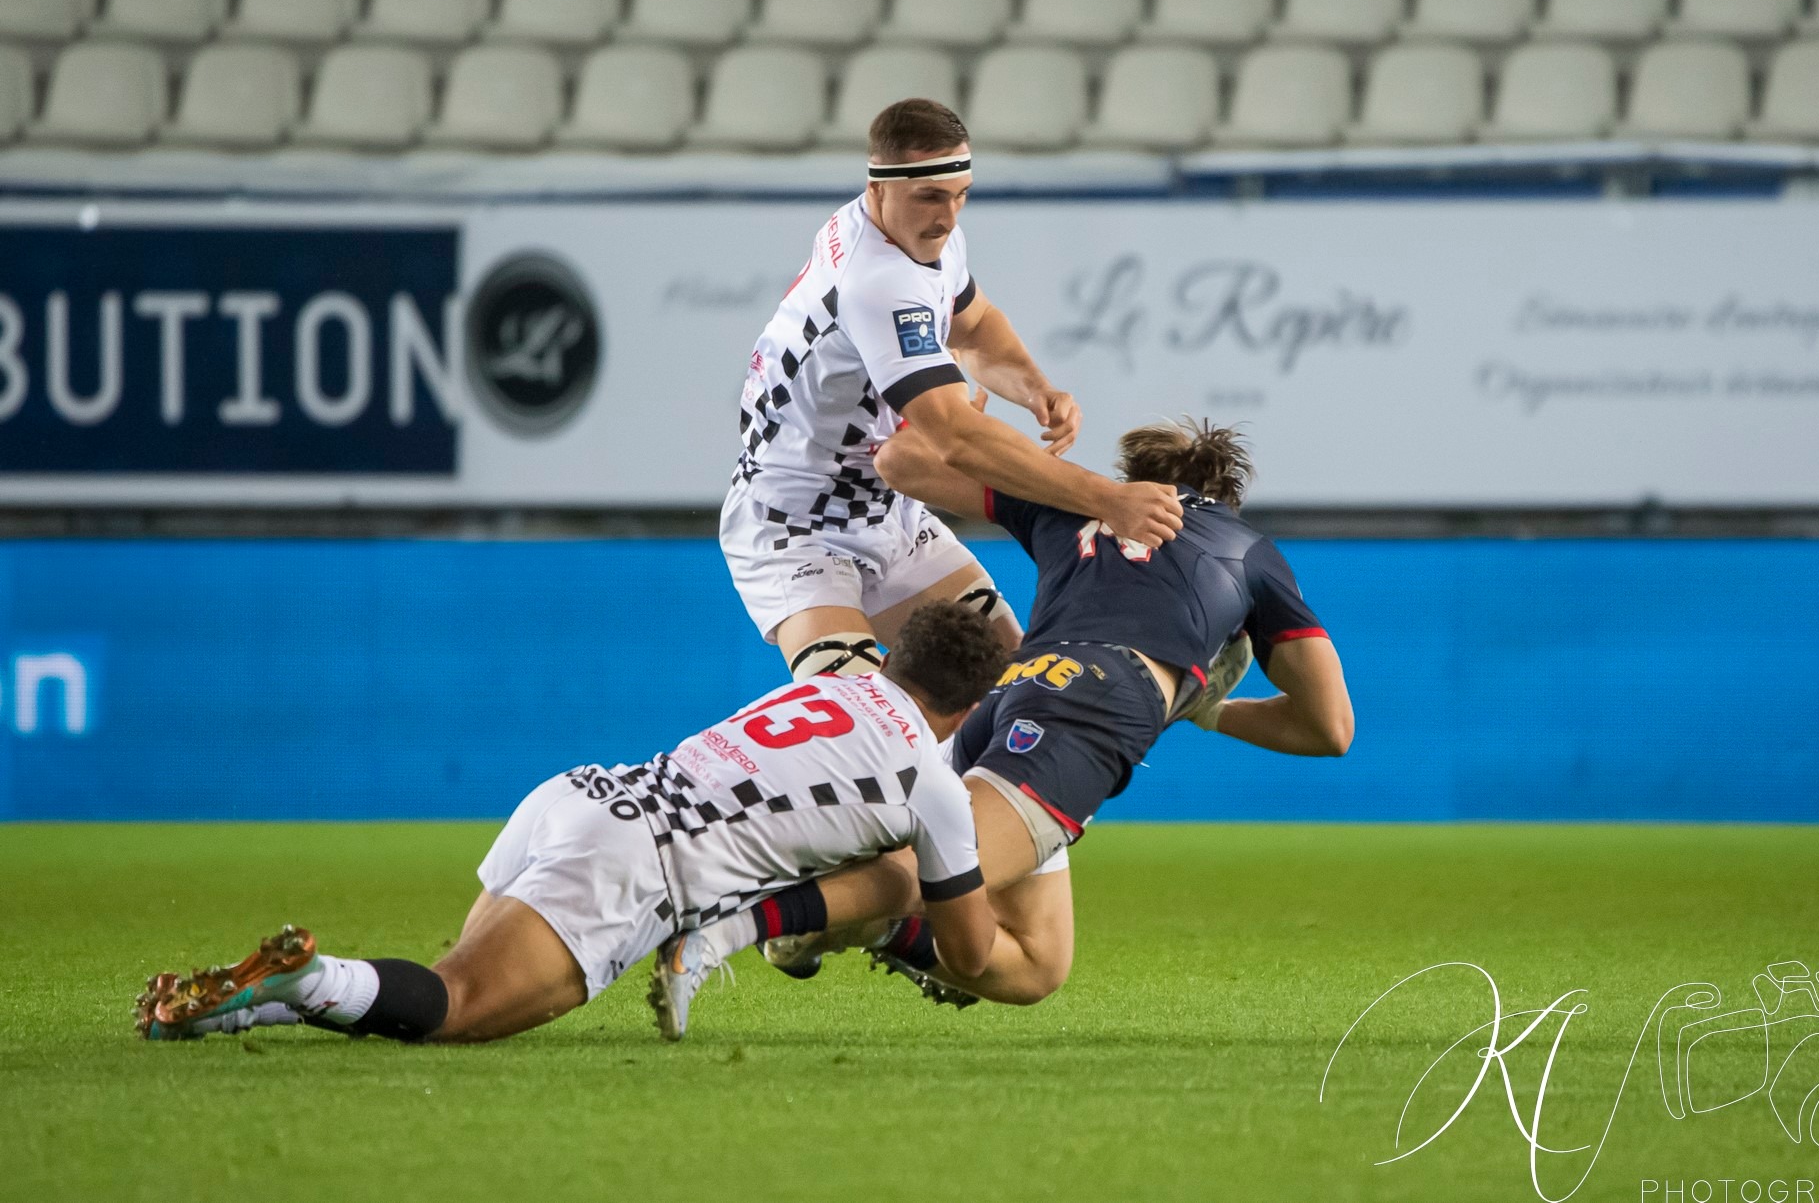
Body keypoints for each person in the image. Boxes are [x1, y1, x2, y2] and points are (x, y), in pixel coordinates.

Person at [134, 604, 1012, 1046]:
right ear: (971, 704)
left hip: (586, 793)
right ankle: (307, 974)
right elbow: (972, 955)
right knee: (456, 1010)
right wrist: (909, 915)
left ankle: (241, 1007)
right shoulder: (932, 783)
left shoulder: (827, 685)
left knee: (448, 979)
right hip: (636, 864)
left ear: (896, 657)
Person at [724, 416, 1355, 1009]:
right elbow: (1329, 728)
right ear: (1226, 499)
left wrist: (957, 424)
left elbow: (898, 460)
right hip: (1097, 701)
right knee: (940, 876)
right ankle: (739, 915)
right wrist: (1204, 709)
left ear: (1135, 476)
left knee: (1035, 966)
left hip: (1011, 689)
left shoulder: (1079, 501)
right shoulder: (1249, 550)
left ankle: (861, 923)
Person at [723, 97, 1183, 682]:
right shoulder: (877, 279)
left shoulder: (917, 233)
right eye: (932, 197)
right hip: (798, 527)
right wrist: (1109, 499)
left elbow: (973, 324)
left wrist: (1035, 388)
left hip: (888, 511)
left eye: (960, 193)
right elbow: (958, 440)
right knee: (865, 728)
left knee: (1006, 687)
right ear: (878, 185)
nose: (949, 216)